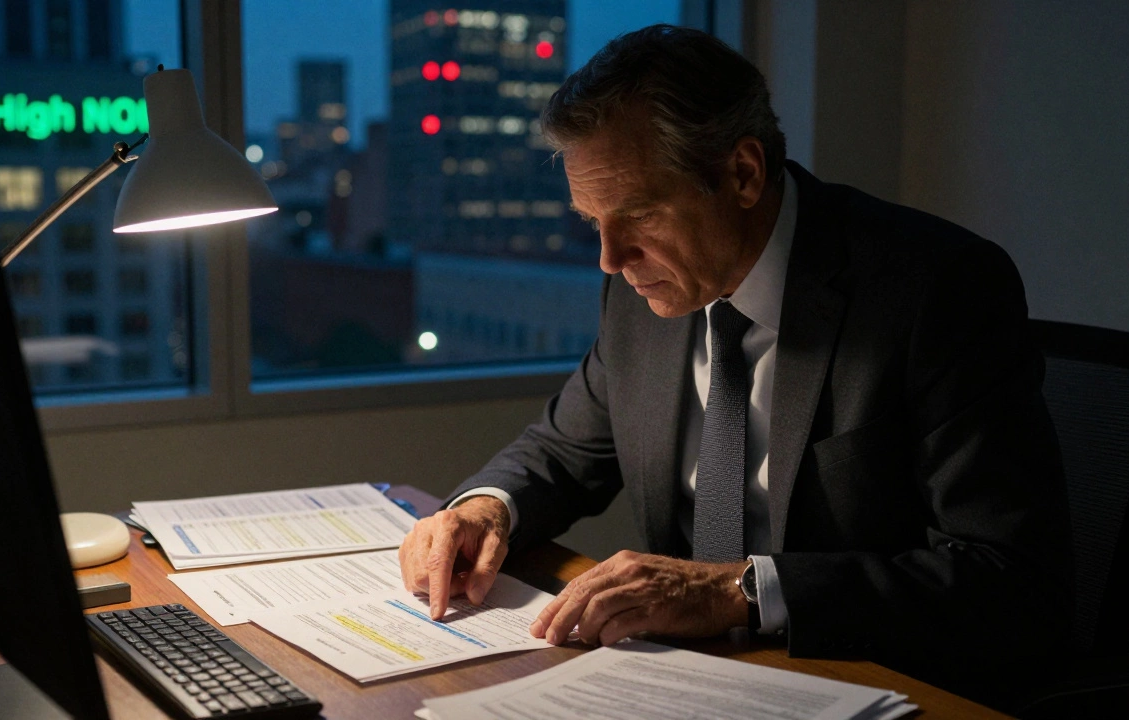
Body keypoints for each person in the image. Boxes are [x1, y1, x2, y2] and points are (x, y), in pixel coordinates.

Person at [398, 24, 1072, 706]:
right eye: (591, 221)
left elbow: (1012, 580)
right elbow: (566, 448)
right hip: (682, 683)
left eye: (636, 215)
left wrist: (739, 591)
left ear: (742, 174)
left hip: (868, 683)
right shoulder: (642, 290)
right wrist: (487, 508)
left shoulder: (935, 289)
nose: (609, 258)